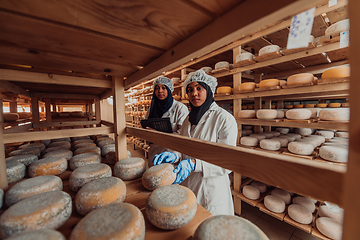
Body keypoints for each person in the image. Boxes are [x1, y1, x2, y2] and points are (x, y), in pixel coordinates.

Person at [152, 69, 238, 216]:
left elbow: (228, 163)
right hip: (189, 185)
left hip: (211, 190)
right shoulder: (188, 120)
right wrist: (174, 154)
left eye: (199, 88)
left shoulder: (224, 119)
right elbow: (184, 146)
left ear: (209, 90)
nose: (194, 94)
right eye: (190, 90)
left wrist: (194, 163)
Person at [146, 76, 189, 165]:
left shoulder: (180, 108)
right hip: (154, 153)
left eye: (164, 88)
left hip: (171, 154)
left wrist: (158, 135)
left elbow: (183, 134)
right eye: (157, 88)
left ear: (169, 90)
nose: (160, 91)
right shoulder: (152, 109)